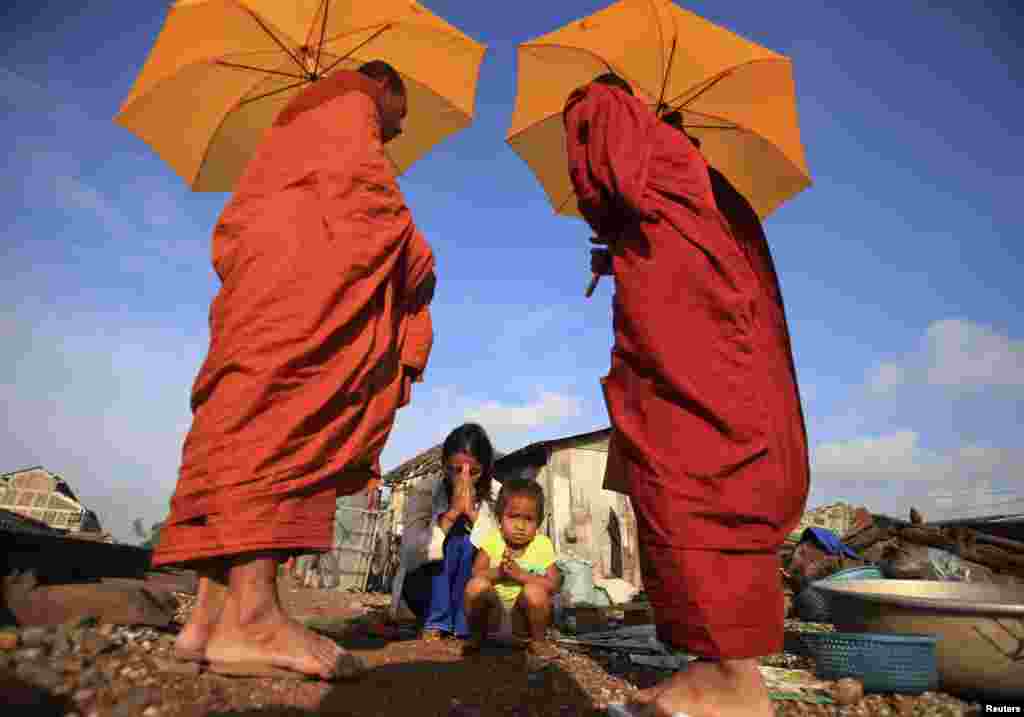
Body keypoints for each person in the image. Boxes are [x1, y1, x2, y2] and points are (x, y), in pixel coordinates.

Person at [151, 60, 437, 682]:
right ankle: (252, 615)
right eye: (399, 115)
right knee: (283, 412)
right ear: (383, 85)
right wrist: (419, 259)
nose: (397, 132)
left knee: (241, 412)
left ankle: (210, 616)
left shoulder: (293, 127)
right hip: (299, 286)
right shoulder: (348, 110)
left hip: (263, 282)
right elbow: (366, 208)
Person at [563, 74, 809, 717]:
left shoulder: (610, 112)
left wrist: (617, 223)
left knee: (688, 466)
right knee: (705, 470)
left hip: (689, 341)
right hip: (710, 335)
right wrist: (619, 250)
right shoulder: (689, 170)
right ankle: (727, 675)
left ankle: (728, 681)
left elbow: (607, 172)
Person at [390, 423, 500, 640]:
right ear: (444, 466)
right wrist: (450, 516)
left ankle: (463, 623)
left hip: (473, 595)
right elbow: (410, 555)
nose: (464, 478)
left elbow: (499, 555)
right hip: (423, 589)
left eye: (473, 472)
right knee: (450, 542)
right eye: (456, 470)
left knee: (469, 544)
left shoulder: (498, 495)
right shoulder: (424, 491)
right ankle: (436, 621)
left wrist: (470, 514)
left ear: (485, 470)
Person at [462, 478, 561, 659]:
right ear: (500, 516)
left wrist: (521, 575)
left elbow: (554, 584)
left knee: (535, 590)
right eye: (514, 516)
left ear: (538, 522)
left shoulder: (542, 544)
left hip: (522, 623)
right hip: (494, 618)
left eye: (529, 519)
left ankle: (538, 642)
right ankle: (475, 637)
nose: (520, 526)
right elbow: (475, 573)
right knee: (475, 585)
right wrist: (498, 572)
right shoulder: (493, 540)